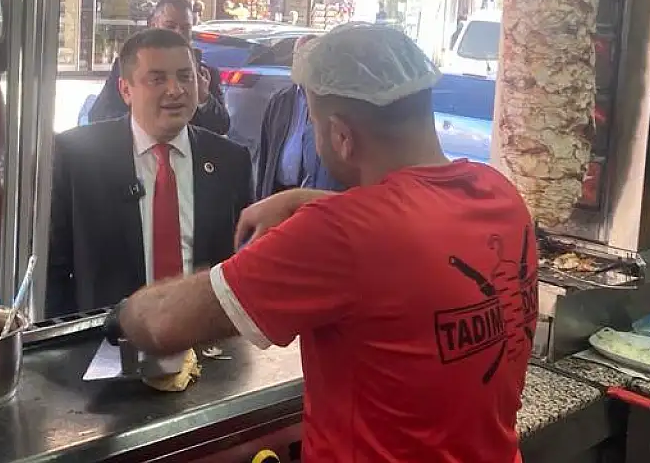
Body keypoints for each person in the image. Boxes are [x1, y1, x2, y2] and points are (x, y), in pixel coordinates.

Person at [109, 23, 537, 463]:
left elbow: (161, 324)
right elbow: (415, 219)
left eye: (313, 123)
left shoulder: (339, 234)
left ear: (341, 136)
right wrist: (303, 199)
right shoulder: (499, 194)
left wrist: (122, 315)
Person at [47, 28, 253, 316]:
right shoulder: (76, 156)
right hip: (106, 336)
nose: (176, 90)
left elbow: (243, 266)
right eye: (158, 79)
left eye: (185, 76)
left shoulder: (230, 161)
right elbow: (52, 270)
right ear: (125, 90)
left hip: (205, 334)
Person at [85, 0, 230, 134]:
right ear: (153, 25)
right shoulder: (128, 65)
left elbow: (222, 126)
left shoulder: (204, 74)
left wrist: (204, 99)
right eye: (170, 26)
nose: (178, 34)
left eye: (185, 28)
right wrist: (144, 120)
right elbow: (99, 116)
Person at [253, 35, 343, 198]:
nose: (303, 64)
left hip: (311, 195)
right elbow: (266, 153)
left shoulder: (331, 103)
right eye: (298, 57)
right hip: (278, 192)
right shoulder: (280, 100)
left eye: (308, 58)